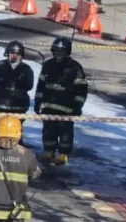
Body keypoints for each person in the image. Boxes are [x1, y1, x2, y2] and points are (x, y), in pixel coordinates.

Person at [35, 37, 88, 165]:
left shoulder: (75, 68)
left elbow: (81, 89)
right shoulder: (48, 65)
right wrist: (38, 102)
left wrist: (77, 106)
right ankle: (49, 151)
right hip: (49, 107)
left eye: (62, 51)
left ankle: (63, 154)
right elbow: (41, 85)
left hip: (67, 108)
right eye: (56, 51)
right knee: (48, 130)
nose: (58, 53)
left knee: (65, 133)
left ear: (67, 52)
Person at [0, 41, 34, 133]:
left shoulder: (26, 69)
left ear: (21, 55)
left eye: (18, 53)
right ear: (7, 53)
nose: (14, 56)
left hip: (18, 106)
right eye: (12, 53)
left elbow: (29, 86)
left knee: (15, 131)